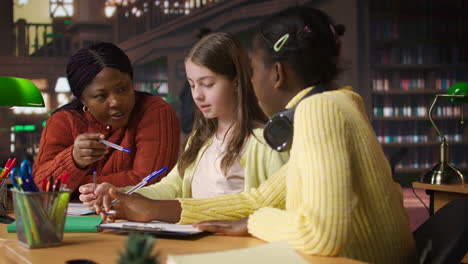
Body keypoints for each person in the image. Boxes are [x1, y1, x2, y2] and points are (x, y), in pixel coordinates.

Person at [95, 8, 417, 263]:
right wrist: (152, 208)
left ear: (276, 74)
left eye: (253, 69)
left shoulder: (319, 110)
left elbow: (320, 235)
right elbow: (261, 198)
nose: (250, 80)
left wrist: (252, 222)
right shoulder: (336, 104)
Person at [80, 32, 288, 207]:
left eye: (207, 84)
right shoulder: (201, 138)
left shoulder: (263, 142)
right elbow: (172, 187)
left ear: (236, 81)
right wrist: (120, 193)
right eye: (192, 84)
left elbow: (277, 212)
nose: (197, 95)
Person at [33, 42, 180, 192]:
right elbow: (40, 186)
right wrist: (74, 160)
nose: (116, 102)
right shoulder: (64, 120)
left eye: (123, 89)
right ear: (82, 100)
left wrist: (73, 184)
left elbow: (149, 182)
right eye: (101, 96)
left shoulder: (154, 111)